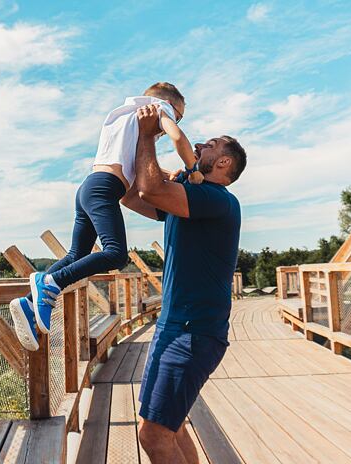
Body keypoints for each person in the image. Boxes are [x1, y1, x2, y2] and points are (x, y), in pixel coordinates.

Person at [9, 82, 203, 351]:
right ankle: (49, 282)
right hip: (104, 189)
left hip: (89, 186)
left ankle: (29, 303)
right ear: (166, 104)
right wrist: (192, 169)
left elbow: (136, 166)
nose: (174, 119)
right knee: (116, 254)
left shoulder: (121, 117)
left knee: (76, 255)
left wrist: (166, 173)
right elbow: (179, 138)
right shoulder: (159, 108)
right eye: (178, 114)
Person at [120, 103, 247, 463]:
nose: (201, 145)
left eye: (211, 145)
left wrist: (148, 135)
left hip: (193, 333)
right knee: (169, 428)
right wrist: (129, 141)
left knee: (153, 436)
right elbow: (132, 194)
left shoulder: (216, 199)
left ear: (224, 163)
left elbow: (149, 191)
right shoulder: (190, 198)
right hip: (173, 327)